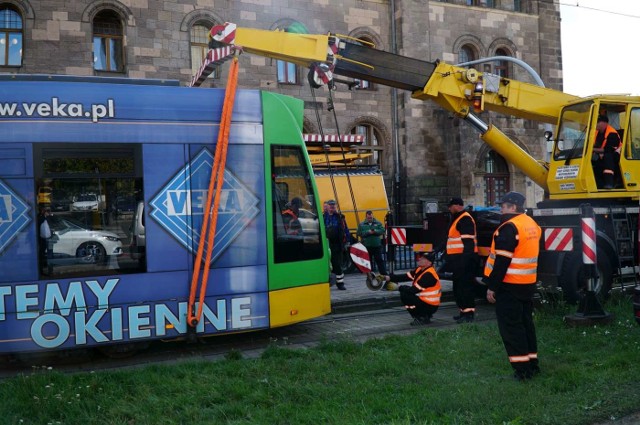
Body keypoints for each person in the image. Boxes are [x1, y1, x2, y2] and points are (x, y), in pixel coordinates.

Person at [483, 191, 541, 381]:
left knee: (512, 329)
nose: (501, 209)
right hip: (527, 283)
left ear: (513, 207)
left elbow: (502, 261)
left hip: (509, 286)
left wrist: (492, 286)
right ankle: (532, 364)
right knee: (526, 325)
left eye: (504, 206)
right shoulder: (531, 224)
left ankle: (522, 371)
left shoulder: (509, 227)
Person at [383, 251, 441, 326]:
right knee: (405, 292)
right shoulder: (419, 270)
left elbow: (413, 290)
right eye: (421, 257)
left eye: (423, 259)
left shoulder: (429, 275)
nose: (419, 259)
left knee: (406, 295)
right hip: (426, 302)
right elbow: (405, 276)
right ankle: (424, 316)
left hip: (430, 305)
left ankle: (421, 317)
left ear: (429, 263)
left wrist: (398, 288)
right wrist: (387, 278)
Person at [446, 197, 478, 324]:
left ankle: (468, 314)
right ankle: (463, 311)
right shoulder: (458, 218)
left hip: (465, 260)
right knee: (458, 287)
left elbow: (468, 243)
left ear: (458, 206)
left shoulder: (465, 219)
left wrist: (464, 262)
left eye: (451, 206)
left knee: (465, 288)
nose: (449, 208)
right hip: (458, 260)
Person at [324, 199, 349, 290]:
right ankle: (327, 282)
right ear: (328, 207)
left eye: (333, 207)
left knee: (337, 264)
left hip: (337, 244)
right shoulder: (323, 217)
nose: (332, 208)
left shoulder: (340, 217)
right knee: (326, 264)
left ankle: (340, 283)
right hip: (326, 243)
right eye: (330, 207)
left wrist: (347, 241)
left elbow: (345, 229)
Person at [592, 115, 621, 189]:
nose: (595, 124)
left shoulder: (612, 133)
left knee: (608, 157)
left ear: (604, 123)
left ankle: (609, 182)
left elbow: (609, 150)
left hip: (617, 155)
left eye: (597, 122)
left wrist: (592, 150)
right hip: (601, 154)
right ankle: (598, 183)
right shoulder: (596, 132)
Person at [357, 210, 387, 276]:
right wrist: (368, 232)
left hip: (376, 246)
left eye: (371, 217)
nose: (370, 219)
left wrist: (375, 231)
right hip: (367, 246)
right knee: (368, 262)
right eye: (369, 218)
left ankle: (384, 274)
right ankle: (370, 274)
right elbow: (359, 233)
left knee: (379, 260)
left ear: (372, 216)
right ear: (366, 217)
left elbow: (382, 230)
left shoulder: (378, 223)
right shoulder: (361, 224)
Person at [37, 206, 53, 275]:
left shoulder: (46, 218)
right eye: (46, 211)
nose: (48, 212)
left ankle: (49, 270)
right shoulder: (40, 218)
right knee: (42, 254)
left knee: (49, 254)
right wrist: (45, 216)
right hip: (42, 239)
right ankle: (41, 270)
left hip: (48, 239)